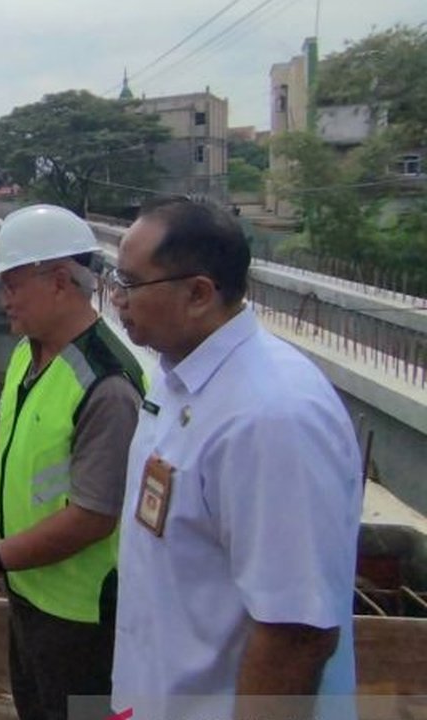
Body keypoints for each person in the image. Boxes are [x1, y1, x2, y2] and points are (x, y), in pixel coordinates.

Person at [109, 198, 361, 720]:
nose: (117, 298)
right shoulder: (181, 379)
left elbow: (295, 633)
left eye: (131, 284)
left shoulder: (270, 417)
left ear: (198, 293)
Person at [0, 205, 145, 720]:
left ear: (60, 280)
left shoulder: (106, 386)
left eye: (14, 284)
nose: (4, 299)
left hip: (84, 618)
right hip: (30, 593)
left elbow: (94, 516)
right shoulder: (32, 351)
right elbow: (5, 420)